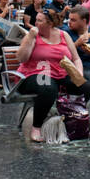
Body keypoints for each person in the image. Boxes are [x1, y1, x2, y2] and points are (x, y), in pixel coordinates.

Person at [14, 8, 84, 143]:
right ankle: (37, 126)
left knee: (84, 85)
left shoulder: (63, 35)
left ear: (50, 24)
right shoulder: (32, 36)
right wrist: (30, 38)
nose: (36, 23)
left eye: (39, 21)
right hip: (34, 73)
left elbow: (76, 59)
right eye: (36, 20)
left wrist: (79, 74)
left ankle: (73, 121)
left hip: (60, 73)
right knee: (47, 88)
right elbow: (21, 58)